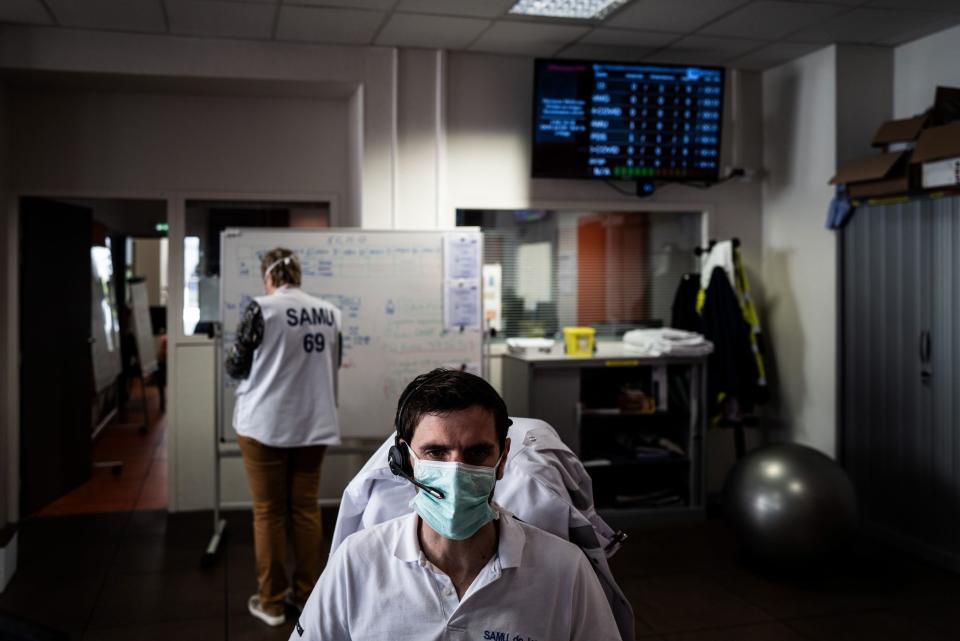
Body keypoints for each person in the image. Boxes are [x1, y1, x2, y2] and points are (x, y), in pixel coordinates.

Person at [293, 369, 622, 641]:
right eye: (436, 453)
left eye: (477, 453)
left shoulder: (565, 570)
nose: (456, 471)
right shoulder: (357, 561)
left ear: (503, 457)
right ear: (406, 460)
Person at [225, 247, 342, 628]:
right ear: (299, 275)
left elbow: (236, 364)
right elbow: (333, 363)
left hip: (266, 425)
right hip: (313, 423)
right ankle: (307, 594)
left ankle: (272, 602)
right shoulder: (330, 313)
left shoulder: (261, 309)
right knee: (306, 509)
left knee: (269, 512)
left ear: (269, 278)